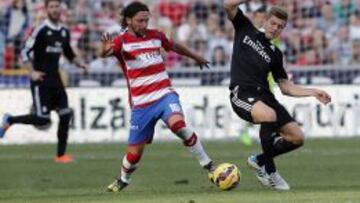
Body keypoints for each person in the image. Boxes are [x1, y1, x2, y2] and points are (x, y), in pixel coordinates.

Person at [100, 2, 215, 192]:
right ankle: (123, 179)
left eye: (146, 20)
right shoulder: (122, 41)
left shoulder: (156, 36)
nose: (144, 24)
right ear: (128, 20)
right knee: (134, 154)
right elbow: (105, 52)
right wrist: (103, 49)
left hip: (164, 95)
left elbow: (174, 46)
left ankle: (209, 165)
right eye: (140, 20)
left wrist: (197, 57)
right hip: (142, 104)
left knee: (178, 125)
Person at [223, 0, 331, 190]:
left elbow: (286, 87)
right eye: (273, 23)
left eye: (280, 27)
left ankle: (259, 160)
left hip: (265, 97)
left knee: (296, 137)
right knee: (269, 115)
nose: (275, 28)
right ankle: (271, 172)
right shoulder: (246, 29)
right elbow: (228, 5)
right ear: (265, 21)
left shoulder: (276, 54)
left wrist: (313, 92)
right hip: (242, 93)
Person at [0, 0, 88, 163]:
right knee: (43, 119)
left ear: (61, 9)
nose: (55, 9)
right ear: (47, 9)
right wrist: (32, 72)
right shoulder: (41, 29)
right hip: (41, 80)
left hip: (56, 79)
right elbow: (25, 51)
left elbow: (68, 53)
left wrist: (80, 63)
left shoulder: (63, 31)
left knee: (65, 114)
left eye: (57, 6)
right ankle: (10, 120)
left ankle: (61, 156)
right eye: (51, 7)